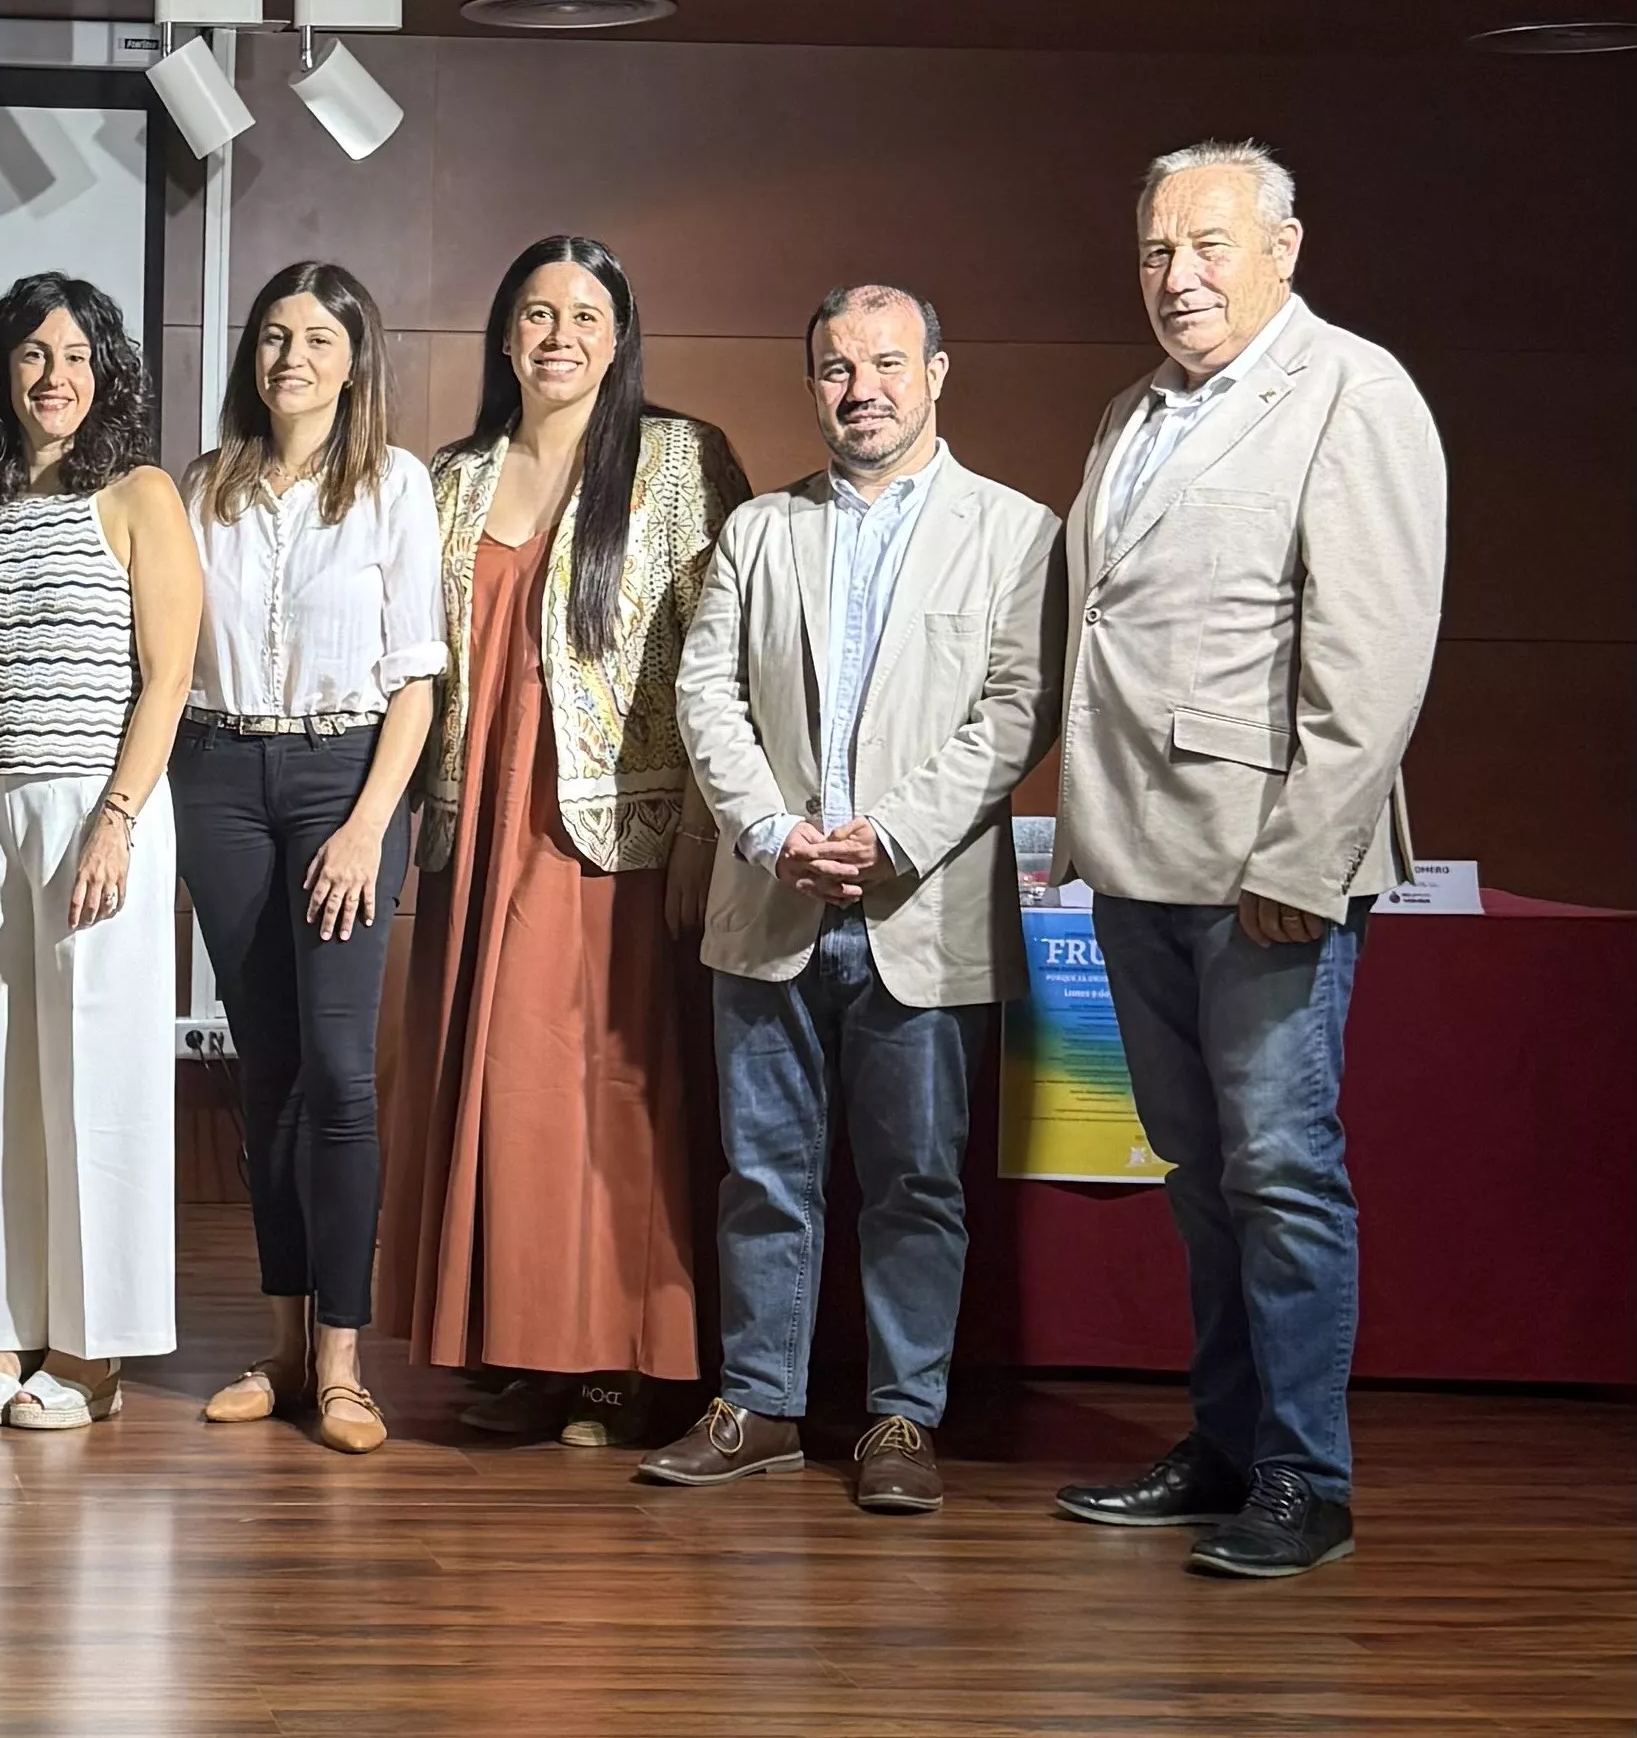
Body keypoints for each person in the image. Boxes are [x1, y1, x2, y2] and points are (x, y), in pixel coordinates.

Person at [1050, 142, 1445, 1580]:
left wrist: (1308, 850)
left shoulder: (1354, 389)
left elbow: (1375, 653)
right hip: (1137, 857)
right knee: (1198, 1170)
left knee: (1281, 1170)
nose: (1179, 276)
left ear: (1284, 245)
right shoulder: (1134, 409)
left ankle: (1303, 1475)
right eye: (1157, 249)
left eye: (1209, 244)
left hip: (1268, 864)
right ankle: (1224, 1440)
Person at [642, 284, 1062, 1513]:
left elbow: (1013, 713)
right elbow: (705, 693)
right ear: (812, 384)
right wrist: (772, 833)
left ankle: (900, 1420)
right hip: (769, 904)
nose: (862, 387)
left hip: (918, 909)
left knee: (917, 1182)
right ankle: (760, 1403)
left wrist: (895, 837)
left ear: (940, 370)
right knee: (762, 1175)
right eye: (836, 368)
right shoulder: (760, 533)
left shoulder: (1016, 532)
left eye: (888, 362)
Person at [378, 234, 748, 1452]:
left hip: (617, 828)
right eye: (536, 314)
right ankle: (517, 1345)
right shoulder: (451, 481)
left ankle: (619, 1359)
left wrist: (703, 829)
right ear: (502, 336)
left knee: (604, 1095)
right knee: (492, 1087)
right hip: (477, 819)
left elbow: (722, 658)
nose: (559, 337)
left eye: (586, 316)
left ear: (621, 335)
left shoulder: (678, 462)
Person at [0, 272, 201, 1430]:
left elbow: (170, 674)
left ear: (106, 375)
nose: (55, 377)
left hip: (100, 810)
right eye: (33, 356)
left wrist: (118, 820)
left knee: (100, 1078)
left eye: (77, 356)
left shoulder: (138, 496)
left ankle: (93, 1353)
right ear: (1, 373)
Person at [178, 261, 440, 1456]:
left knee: (339, 1073)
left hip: (345, 779)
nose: (293, 356)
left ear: (355, 358)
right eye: (275, 335)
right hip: (220, 776)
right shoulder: (205, 487)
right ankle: (281, 1353)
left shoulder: (392, 485)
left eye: (320, 337)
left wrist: (369, 825)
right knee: (267, 1073)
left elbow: (418, 680)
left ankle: (344, 1364)